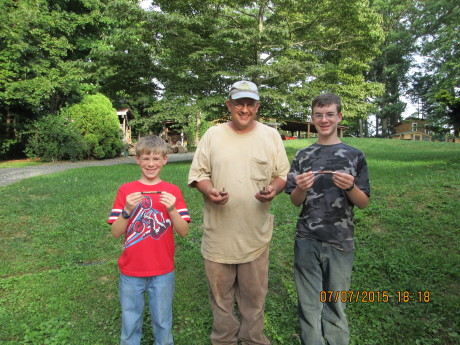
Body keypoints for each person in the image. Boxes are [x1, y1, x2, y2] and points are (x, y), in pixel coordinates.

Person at [188, 80, 290, 345]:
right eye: (238, 103)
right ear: (229, 105)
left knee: (254, 298)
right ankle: (224, 340)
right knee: (220, 300)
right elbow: (199, 175)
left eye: (250, 104)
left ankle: (253, 339)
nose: (244, 109)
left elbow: (282, 175)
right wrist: (208, 190)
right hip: (218, 235)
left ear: (257, 106)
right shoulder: (213, 135)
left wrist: (274, 189)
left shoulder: (271, 135)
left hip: (255, 236)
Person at [285, 93, 370, 345]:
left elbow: (363, 202)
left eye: (330, 114)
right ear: (312, 118)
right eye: (319, 115)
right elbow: (295, 201)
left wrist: (351, 187)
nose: (324, 119)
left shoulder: (355, 155)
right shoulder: (302, 155)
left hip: (340, 241)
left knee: (336, 304)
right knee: (309, 305)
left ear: (339, 117)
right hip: (307, 239)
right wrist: (300, 187)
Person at [108, 135, 190, 345]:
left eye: (156, 158)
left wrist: (172, 209)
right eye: (145, 158)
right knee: (130, 319)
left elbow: (184, 231)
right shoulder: (125, 191)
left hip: (163, 270)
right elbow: (116, 233)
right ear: (137, 159)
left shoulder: (173, 191)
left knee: (163, 321)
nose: (150, 164)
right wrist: (126, 209)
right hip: (131, 271)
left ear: (164, 160)